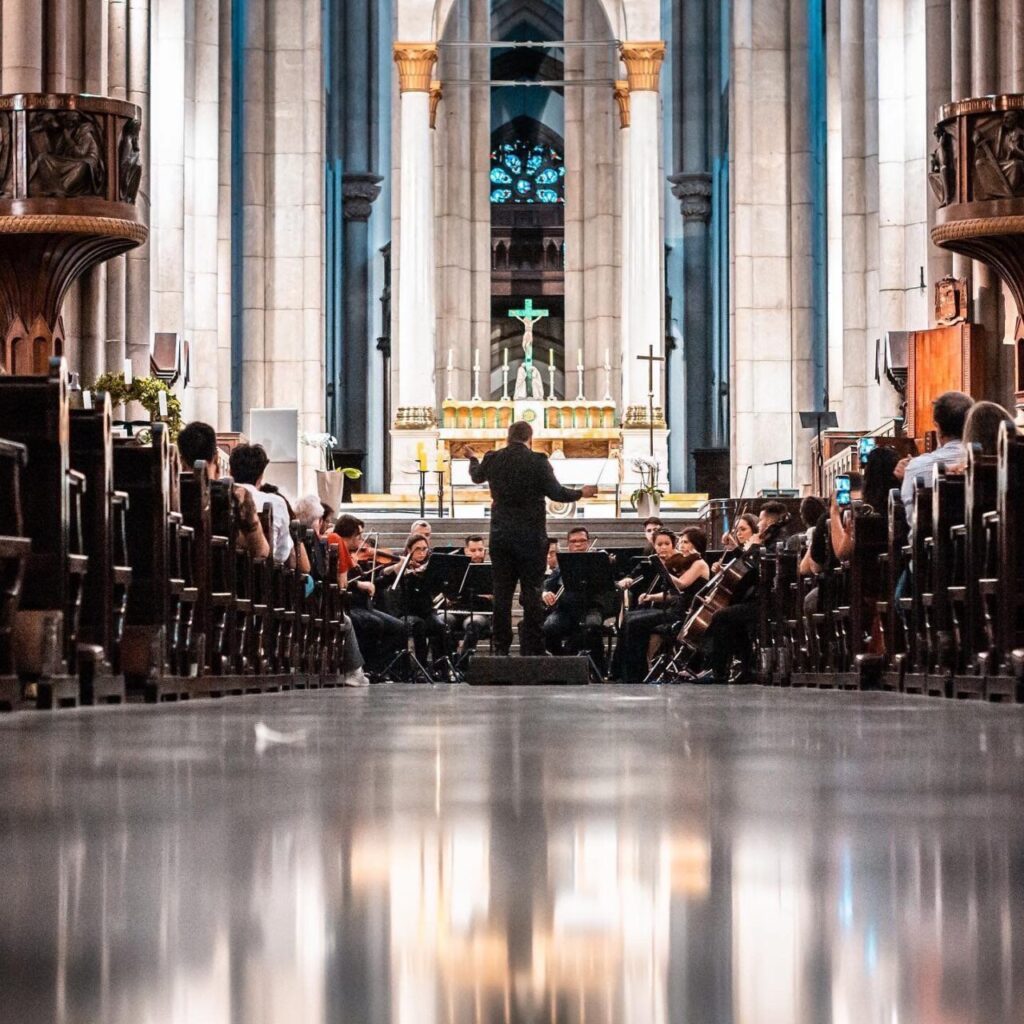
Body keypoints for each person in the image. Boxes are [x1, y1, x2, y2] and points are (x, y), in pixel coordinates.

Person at [467, 421, 597, 656]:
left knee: (502, 595)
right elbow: (557, 493)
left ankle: (500, 648)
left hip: (501, 537)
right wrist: (582, 492)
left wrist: (472, 458)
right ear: (530, 438)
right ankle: (532, 647)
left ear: (508, 437)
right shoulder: (537, 461)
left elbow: (477, 477)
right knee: (532, 593)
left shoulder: (493, 458)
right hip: (531, 538)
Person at [700, 501, 790, 684]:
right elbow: (745, 572)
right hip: (760, 599)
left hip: (769, 602)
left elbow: (757, 571)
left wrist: (754, 548)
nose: (759, 524)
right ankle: (744, 668)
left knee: (721, 617)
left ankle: (721, 672)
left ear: (771, 522)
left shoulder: (777, 541)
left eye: (762, 520)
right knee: (730, 616)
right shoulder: (770, 539)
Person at [612, 528, 710, 683]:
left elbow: (682, 585)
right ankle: (620, 671)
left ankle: (635, 674)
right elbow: (674, 593)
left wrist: (662, 568)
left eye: (686, 542)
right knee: (630, 617)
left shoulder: (699, 563)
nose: (681, 545)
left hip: (683, 613)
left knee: (635, 622)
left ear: (695, 544)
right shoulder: (689, 562)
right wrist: (651, 596)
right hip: (675, 607)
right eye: (681, 542)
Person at [177, 422, 269, 560]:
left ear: (181, 460)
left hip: (177, 575)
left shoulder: (170, 494)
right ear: (215, 458)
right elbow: (261, 552)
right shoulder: (237, 495)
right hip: (221, 578)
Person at [899, 391, 974, 532]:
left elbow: (912, 519)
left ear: (937, 427)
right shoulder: (986, 462)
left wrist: (907, 475)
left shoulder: (917, 467)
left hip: (929, 551)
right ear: (972, 421)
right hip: (984, 548)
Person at [542, 526, 609, 671]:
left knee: (592, 626)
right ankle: (561, 663)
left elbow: (608, 585)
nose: (578, 545)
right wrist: (545, 593)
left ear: (588, 542)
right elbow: (546, 585)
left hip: (591, 608)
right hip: (565, 610)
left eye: (582, 541)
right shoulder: (562, 565)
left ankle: (598, 668)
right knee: (549, 627)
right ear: (568, 545)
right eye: (573, 541)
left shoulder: (598, 562)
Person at [387, 534, 451, 670]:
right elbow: (386, 575)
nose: (422, 553)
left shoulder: (430, 569)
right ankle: (420, 668)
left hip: (425, 612)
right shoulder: (402, 567)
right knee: (418, 625)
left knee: (440, 626)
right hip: (405, 613)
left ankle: (441, 668)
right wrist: (406, 572)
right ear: (409, 550)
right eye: (418, 549)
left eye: (425, 549)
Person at [229, 443, 296, 566]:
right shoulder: (276, 503)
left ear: (230, 471)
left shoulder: (221, 496)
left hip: (222, 570)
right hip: (262, 576)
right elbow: (282, 553)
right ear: (261, 475)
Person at [446, 535, 492, 659]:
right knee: (442, 620)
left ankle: (463, 664)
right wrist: (480, 597)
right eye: (473, 550)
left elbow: (492, 599)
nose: (477, 554)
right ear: (466, 551)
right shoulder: (455, 570)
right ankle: (448, 663)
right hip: (456, 611)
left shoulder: (490, 571)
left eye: (480, 550)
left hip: (480, 613)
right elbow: (452, 594)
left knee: (473, 623)